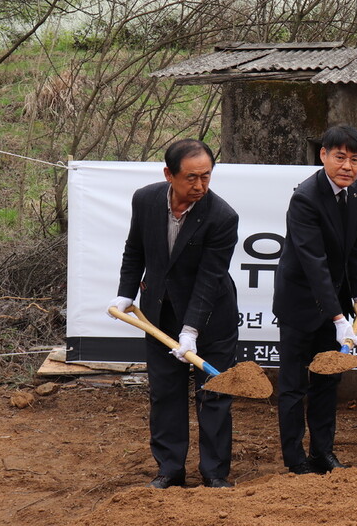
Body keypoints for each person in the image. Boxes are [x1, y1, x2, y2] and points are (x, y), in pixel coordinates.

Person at [107, 138, 240, 489]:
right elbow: (135, 249)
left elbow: (210, 278)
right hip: (159, 314)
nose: (199, 186)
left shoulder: (222, 217)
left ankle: (214, 473)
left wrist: (192, 330)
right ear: (169, 174)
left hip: (212, 319)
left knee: (214, 393)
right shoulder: (146, 199)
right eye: (191, 178)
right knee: (165, 392)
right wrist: (126, 292)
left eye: (207, 177)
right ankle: (170, 469)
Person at [272, 124, 357, 475]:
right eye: (340, 157)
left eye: (355, 159)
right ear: (323, 155)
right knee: (293, 385)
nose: (348, 166)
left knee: (327, 380)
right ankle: (295, 459)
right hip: (300, 303)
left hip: (337, 301)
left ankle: (323, 453)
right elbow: (313, 263)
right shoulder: (305, 197)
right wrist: (338, 319)